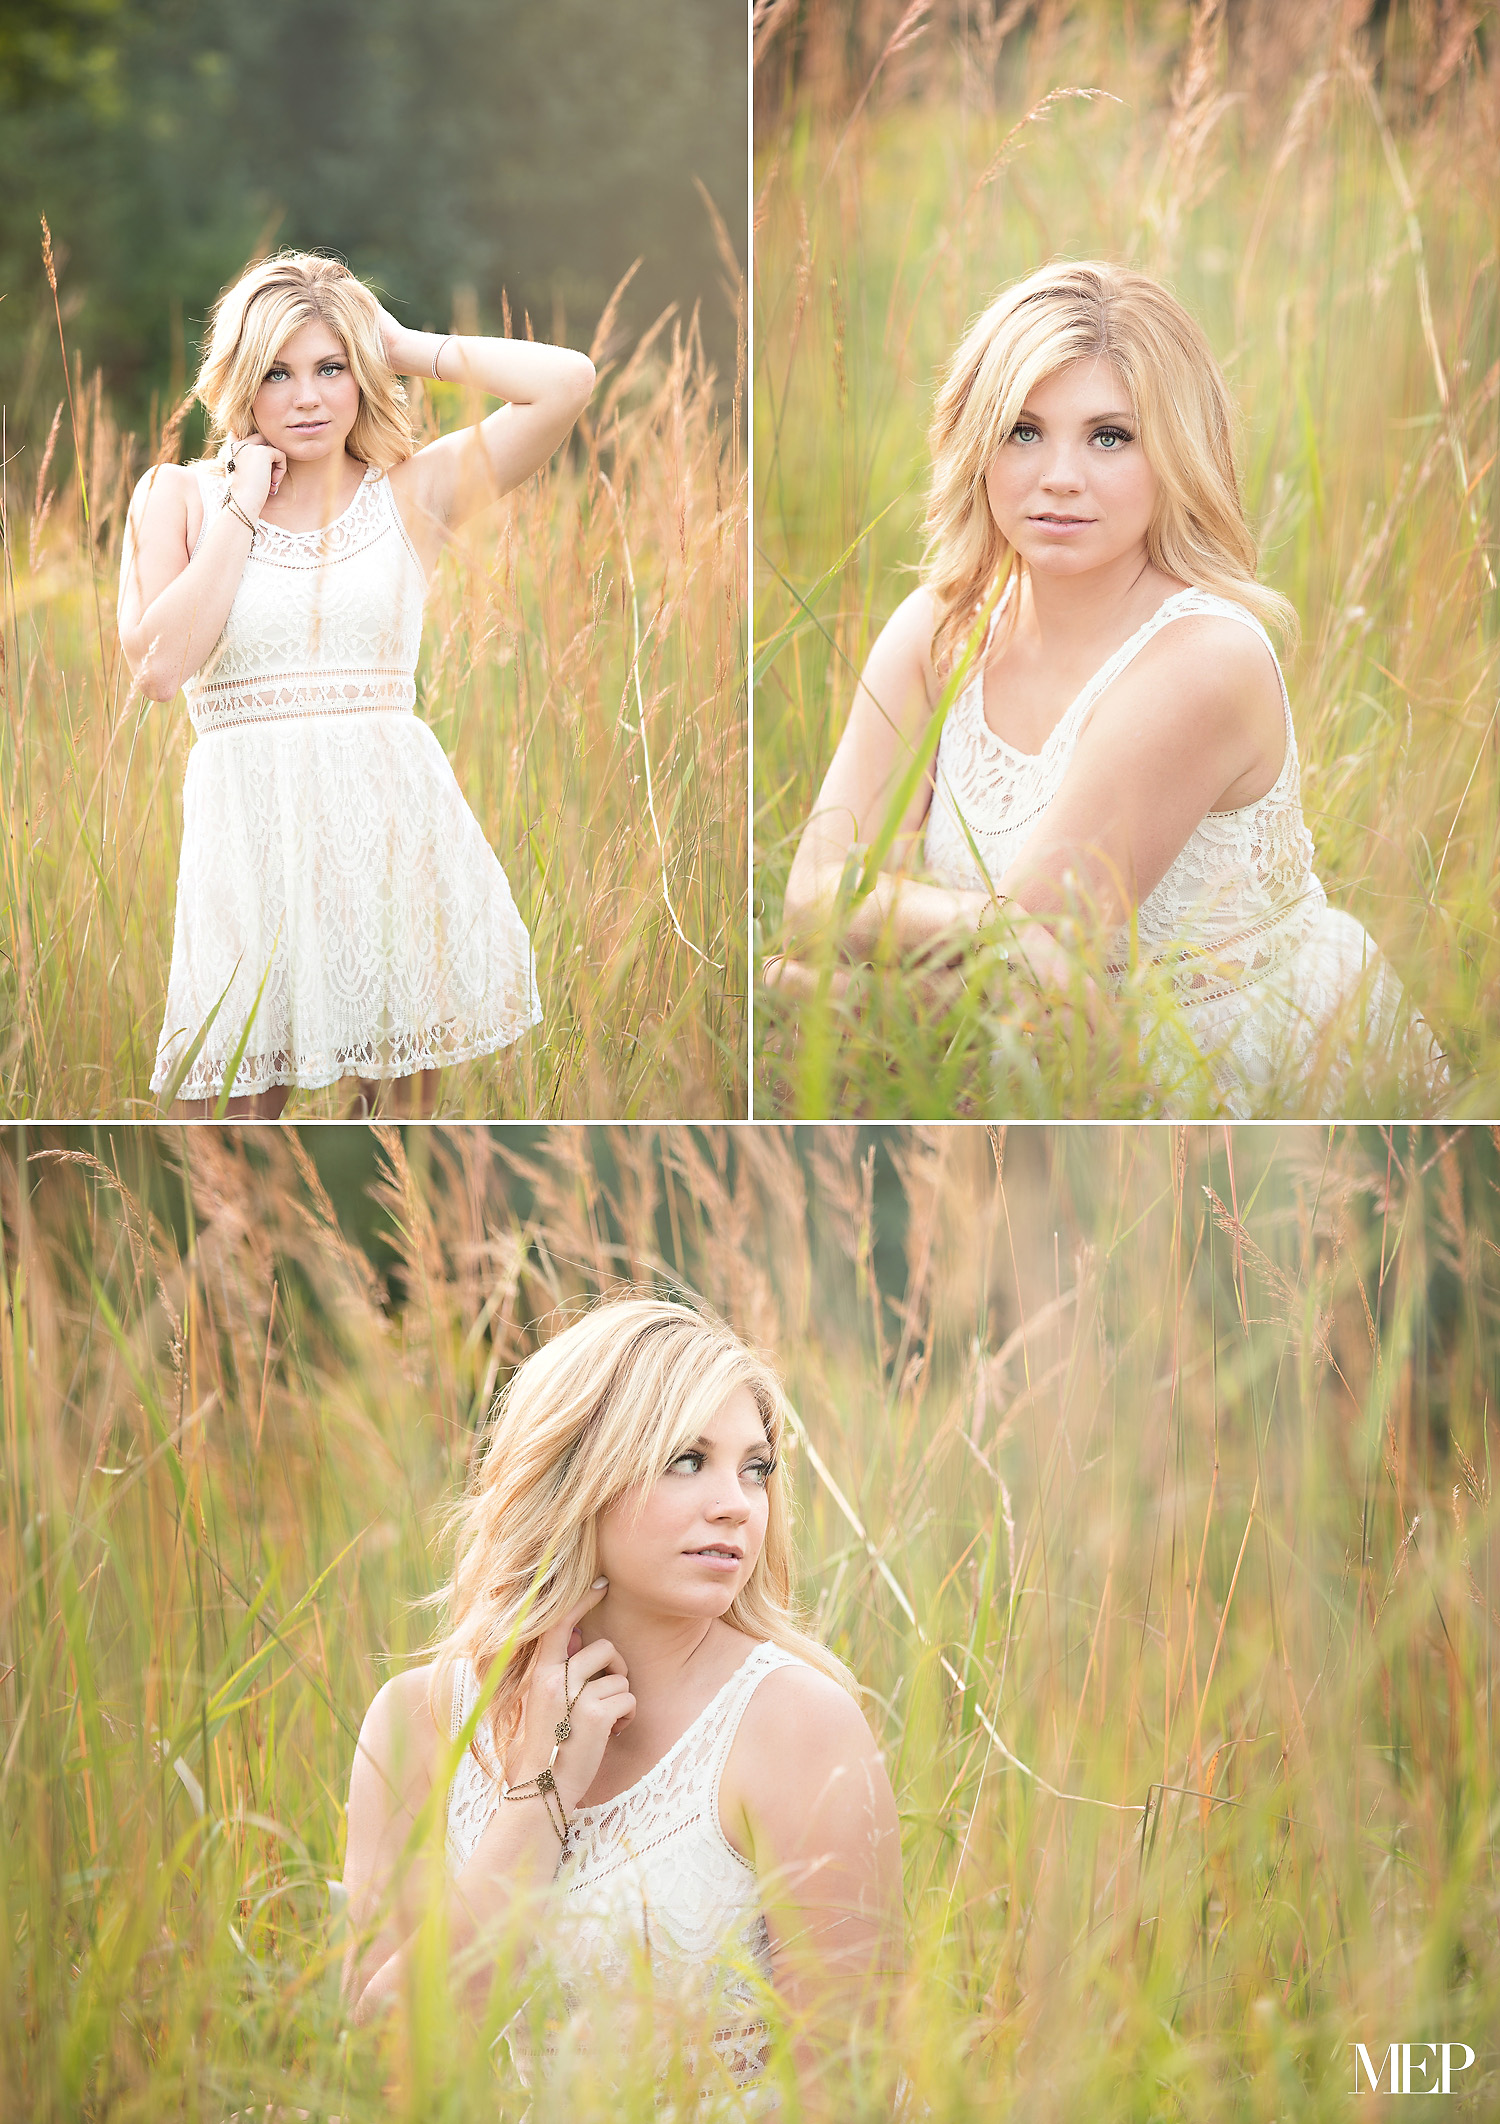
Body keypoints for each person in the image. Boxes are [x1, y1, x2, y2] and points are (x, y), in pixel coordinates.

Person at [768, 260, 1440, 1117]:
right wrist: (985, 928)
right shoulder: (941, 625)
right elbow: (813, 894)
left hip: (1236, 1077)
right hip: (1041, 1073)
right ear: (976, 444)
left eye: (1110, 436)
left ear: (1176, 453)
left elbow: (1019, 995)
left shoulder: (1202, 664)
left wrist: (824, 992)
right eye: (1022, 430)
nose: (1060, 476)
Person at [339, 1298, 902, 2116]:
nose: (736, 1505)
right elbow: (380, 2067)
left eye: (755, 1467)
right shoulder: (414, 1724)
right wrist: (539, 1797)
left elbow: (853, 2088)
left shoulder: (798, 1728)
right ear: (575, 1472)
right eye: (686, 1460)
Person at [118, 250, 596, 1119]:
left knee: (399, 1142)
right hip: (249, 855)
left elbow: (567, 382)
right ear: (241, 385)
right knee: (228, 1125)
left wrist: (408, 344)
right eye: (277, 372)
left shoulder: (411, 493)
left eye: (331, 368)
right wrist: (241, 507)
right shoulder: (177, 497)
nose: (306, 397)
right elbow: (159, 668)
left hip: (391, 848)